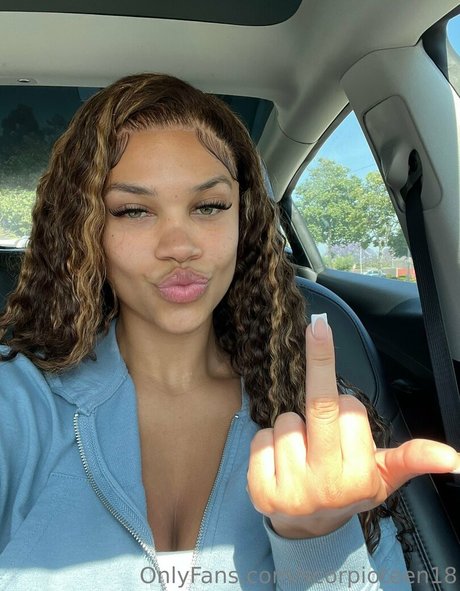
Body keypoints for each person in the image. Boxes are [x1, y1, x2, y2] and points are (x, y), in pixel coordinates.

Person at [0, 73, 458, 591]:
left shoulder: (309, 411)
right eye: (133, 210)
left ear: (245, 220)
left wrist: (320, 540)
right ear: (87, 231)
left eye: (209, 206)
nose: (180, 246)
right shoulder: (17, 403)